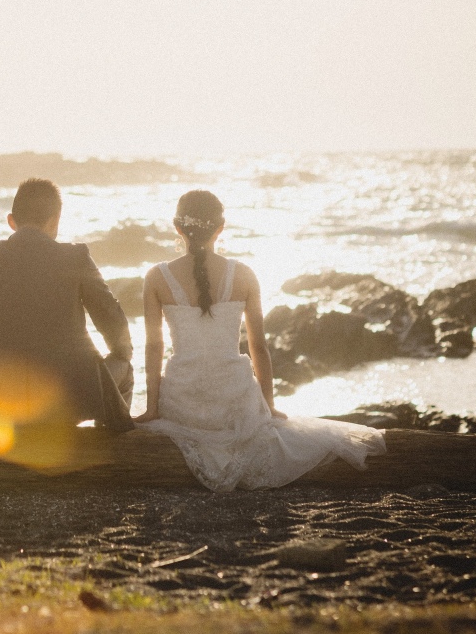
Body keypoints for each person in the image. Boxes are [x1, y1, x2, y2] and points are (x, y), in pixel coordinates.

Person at [135, 189, 386, 491]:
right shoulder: (244, 274)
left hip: (183, 401)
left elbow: (153, 346)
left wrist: (152, 408)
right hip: (235, 401)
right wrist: (268, 404)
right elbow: (258, 346)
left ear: (177, 228)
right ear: (220, 229)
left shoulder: (156, 277)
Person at [0, 178, 134, 434]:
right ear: (54, 221)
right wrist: (121, 354)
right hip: (70, 400)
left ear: (11, 221)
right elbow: (111, 320)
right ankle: (106, 447)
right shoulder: (76, 258)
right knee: (123, 365)